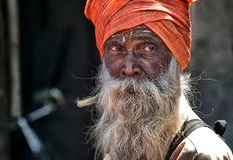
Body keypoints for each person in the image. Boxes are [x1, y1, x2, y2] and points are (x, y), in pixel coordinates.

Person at [77, 0, 233, 159]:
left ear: (175, 58)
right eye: (117, 49)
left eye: (147, 48)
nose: (129, 68)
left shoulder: (199, 153)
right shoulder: (127, 145)